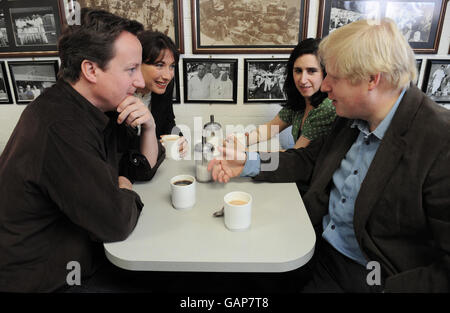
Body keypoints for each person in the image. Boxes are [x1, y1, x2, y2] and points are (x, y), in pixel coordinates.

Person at [208, 19, 450, 292]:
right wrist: (248, 162)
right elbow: (306, 160)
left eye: (333, 76)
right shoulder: (349, 118)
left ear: (372, 78)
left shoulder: (440, 140)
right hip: (314, 245)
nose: (324, 86)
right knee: (229, 272)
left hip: (369, 276)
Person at [0, 9, 165, 292]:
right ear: (91, 70)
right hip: (48, 278)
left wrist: (148, 126)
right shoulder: (59, 126)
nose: (140, 82)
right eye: (131, 69)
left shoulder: (98, 108)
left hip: (79, 254)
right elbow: (115, 222)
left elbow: (139, 167)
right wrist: (124, 186)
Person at [244, 38, 336, 151]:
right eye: (298, 71)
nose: (302, 80)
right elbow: (270, 128)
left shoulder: (326, 107)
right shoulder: (299, 102)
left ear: (325, 73)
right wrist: (239, 141)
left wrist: (245, 153)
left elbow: (296, 154)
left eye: (311, 71)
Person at [136, 30, 187, 157]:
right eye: (159, 65)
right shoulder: (117, 94)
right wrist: (158, 146)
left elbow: (168, 121)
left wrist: (179, 139)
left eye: (172, 66)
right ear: (136, 63)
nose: (168, 76)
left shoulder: (165, 85)